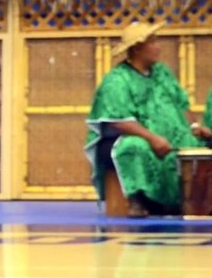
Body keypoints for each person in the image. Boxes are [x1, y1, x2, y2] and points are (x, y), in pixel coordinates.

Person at [86, 22, 212, 218]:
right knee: (135, 147)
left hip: (172, 135)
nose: (158, 47)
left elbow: (181, 103)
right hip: (128, 139)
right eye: (152, 42)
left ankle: (192, 202)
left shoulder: (162, 73)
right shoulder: (117, 80)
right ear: (137, 48)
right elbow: (117, 120)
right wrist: (152, 138)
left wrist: (195, 127)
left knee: (198, 146)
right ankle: (138, 201)